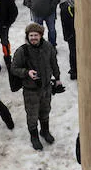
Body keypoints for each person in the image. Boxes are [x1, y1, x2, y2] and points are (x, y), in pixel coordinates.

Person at [10, 22, 62, 150]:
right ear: (27, 36)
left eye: (36, 35)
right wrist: (27, 72)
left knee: (45, 111)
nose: (33, 38)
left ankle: (45, 131)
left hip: (46, 88)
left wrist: (58, 78)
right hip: (30, 90)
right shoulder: (22, 51)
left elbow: (54, 63)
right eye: (31, 35)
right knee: (32, 115)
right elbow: (14, 68)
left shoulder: (48, 47)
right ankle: (34, 136)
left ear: (41, 36)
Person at [59, 0, 77, 80]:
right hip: (71, 33)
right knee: (73, 52)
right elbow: (64, 22)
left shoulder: (83, 3)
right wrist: (67, 36)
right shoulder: (66, 6)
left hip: (81, 33)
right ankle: (74, 70)